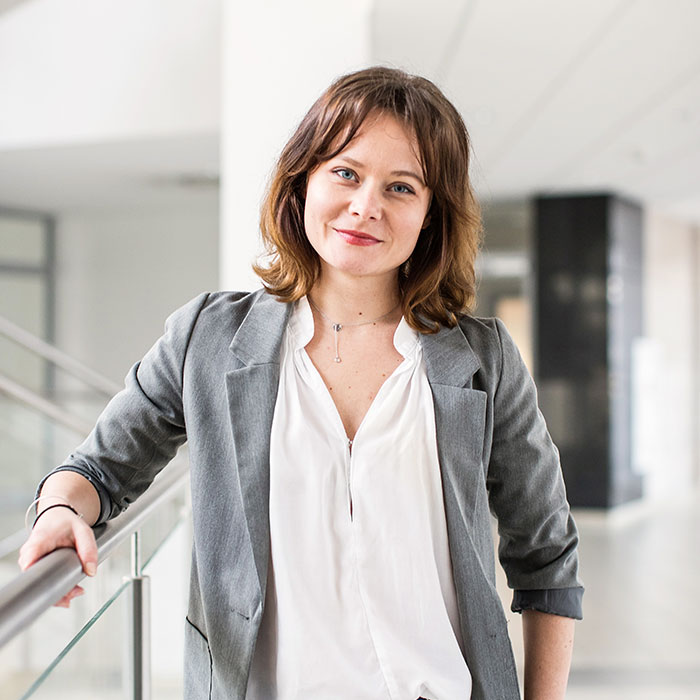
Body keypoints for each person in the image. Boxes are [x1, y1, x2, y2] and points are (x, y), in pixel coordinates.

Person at [19, 66, 583, 700]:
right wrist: (62, 510)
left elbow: (547, 558)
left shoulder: (484, 359)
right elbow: (99, 471)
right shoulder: (206, 338)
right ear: (304, 180)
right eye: (345, 172)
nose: (366, 205)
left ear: (431, 215)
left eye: (401, 187)